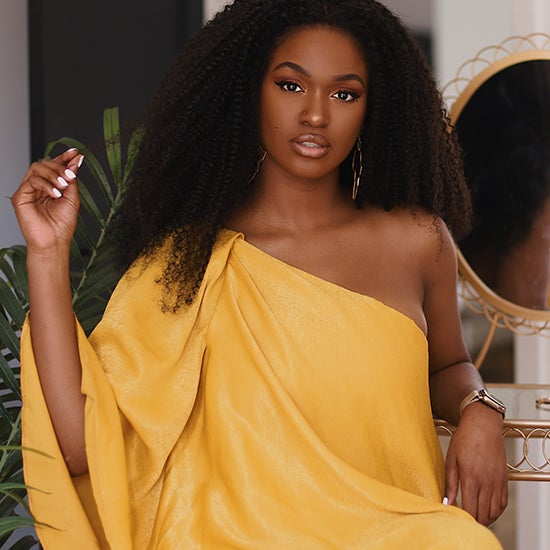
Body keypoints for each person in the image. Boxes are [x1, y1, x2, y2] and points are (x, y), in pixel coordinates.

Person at [12, 1, 508, 548]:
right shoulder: (190, 263)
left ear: (375, 108)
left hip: (394, 530)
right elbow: (83, 445)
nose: (315, 114)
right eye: (291, 86)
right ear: (248, 92)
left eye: (344, 94)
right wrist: (47, 255)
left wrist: (480, 410)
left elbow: (450, 365)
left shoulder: (418, 240)